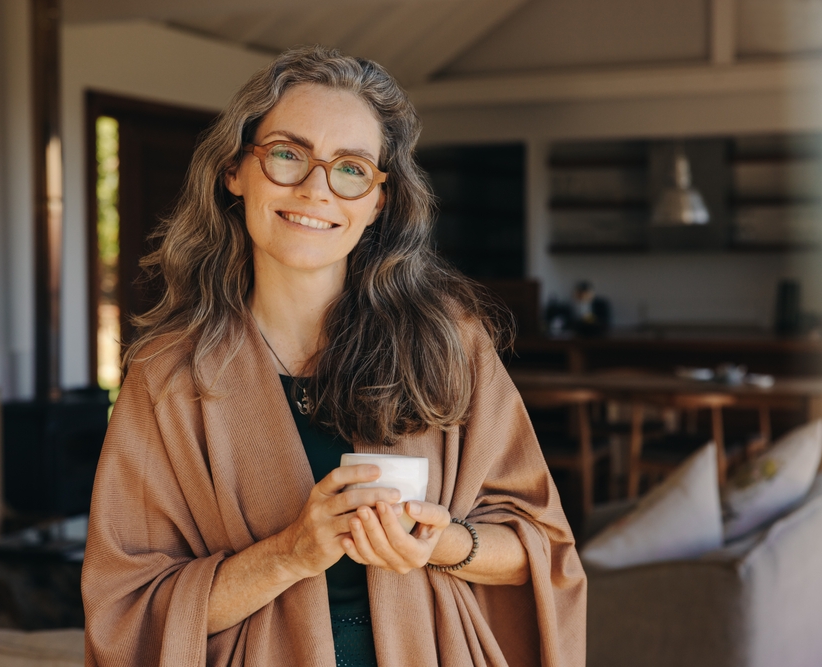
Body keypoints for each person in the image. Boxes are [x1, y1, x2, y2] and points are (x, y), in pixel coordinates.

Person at [82, 46, 586, 667]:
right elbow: (127, 610)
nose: (317, 189)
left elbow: (541, 548)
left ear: (377, 200)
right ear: (234, 171)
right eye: (288, 155)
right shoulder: (168, 375)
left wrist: (441, 543)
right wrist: (291, 552)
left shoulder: (450, 344)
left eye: (350, 168)